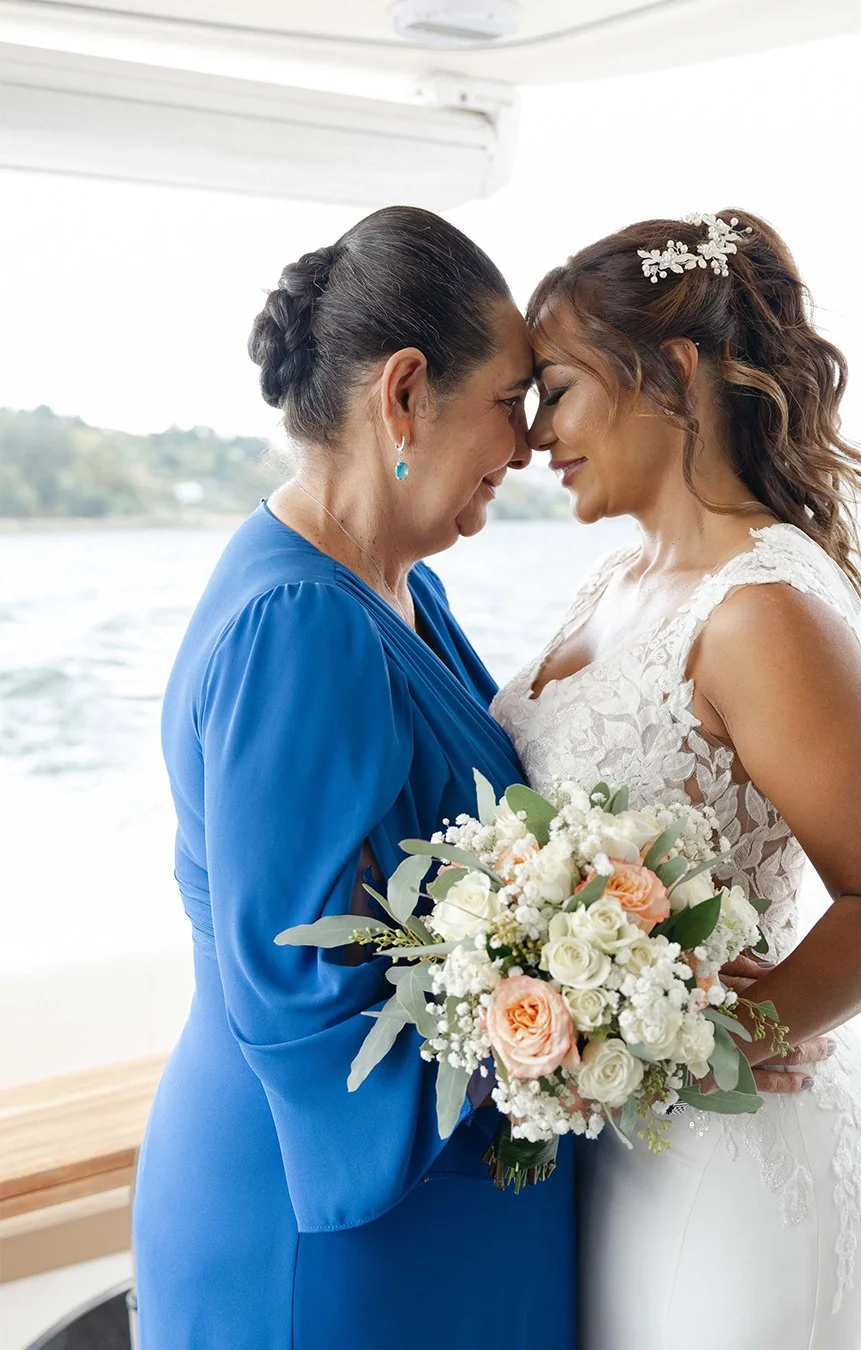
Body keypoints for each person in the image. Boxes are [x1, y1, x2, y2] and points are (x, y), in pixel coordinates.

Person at [493, 210, 861, 1349]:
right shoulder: (616, 582)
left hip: (737, 1166)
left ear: (673, 371)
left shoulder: (760, 613)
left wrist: (712, 1036)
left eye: (557, 390)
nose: (536, 434)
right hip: (627, 1151)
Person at [131, 205, 576, 1349]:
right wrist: (588, 1025)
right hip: (326, 1217)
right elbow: (304, 985)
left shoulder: (399, 585)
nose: (530, 444)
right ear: (406, 393)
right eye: (511, 401)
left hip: (417, 1200)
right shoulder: (300, 623)